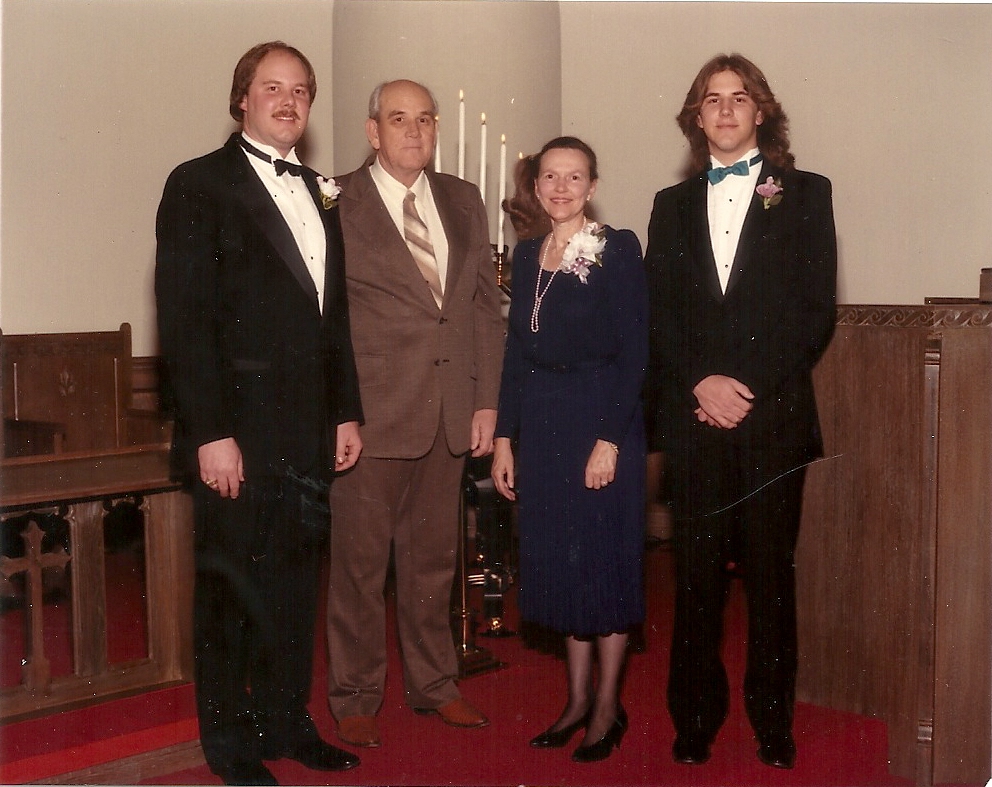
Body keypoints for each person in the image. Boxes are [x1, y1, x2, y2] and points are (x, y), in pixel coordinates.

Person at [155, 41, 363, 785]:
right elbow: (184, 319)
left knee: (294, 588)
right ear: (242, 99)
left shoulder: (320, 189)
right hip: (236, 431)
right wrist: (211, 432)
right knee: (230, 593)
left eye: (300, 90)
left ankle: (285, 720)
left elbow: (333, 316)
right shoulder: (198, 183)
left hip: (307, 431)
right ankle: (230, 745)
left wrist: (345, 411)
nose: (288, 100)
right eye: (272, 87)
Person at [643, 53, 837, 770]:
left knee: (770, 581)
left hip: (771, 420)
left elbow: (813, 310)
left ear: (761, 111)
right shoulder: (670, 205)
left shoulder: (807, 193)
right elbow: (659, 314)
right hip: (696, 422)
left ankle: (772, 722)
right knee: (694, 581)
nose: (725, 109)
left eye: (739, 97)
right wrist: (701, 384)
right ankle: (694, 719)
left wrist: (741, 386)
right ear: (697, 117)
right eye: (712, 99)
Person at [326, 79, 505, 749]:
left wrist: (485, 400)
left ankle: (435, 683)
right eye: (398, 119)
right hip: (372, 418)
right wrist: (339, 411)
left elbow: (483, 306)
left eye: (424, 119)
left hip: (450, 413)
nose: (414, 131)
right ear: (373, 131)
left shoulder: (462, 198)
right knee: (359, 568)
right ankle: (355, 695)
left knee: (433, 563)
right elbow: (325, 321)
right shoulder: (334, 200)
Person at [492, 136, 648, 763]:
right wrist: (505, 438)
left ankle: (608, 707)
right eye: (550, 177)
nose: (561, 188)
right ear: (536, 187)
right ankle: (577, 700)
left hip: (602, 420)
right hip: (545, 427)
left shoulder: (618, 248)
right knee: (563, 566)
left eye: (574, 177)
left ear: (592, 185)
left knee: (604, 566)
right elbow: (516, 354)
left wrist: (609, 440)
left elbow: (635, 354)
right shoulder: (528, 253)